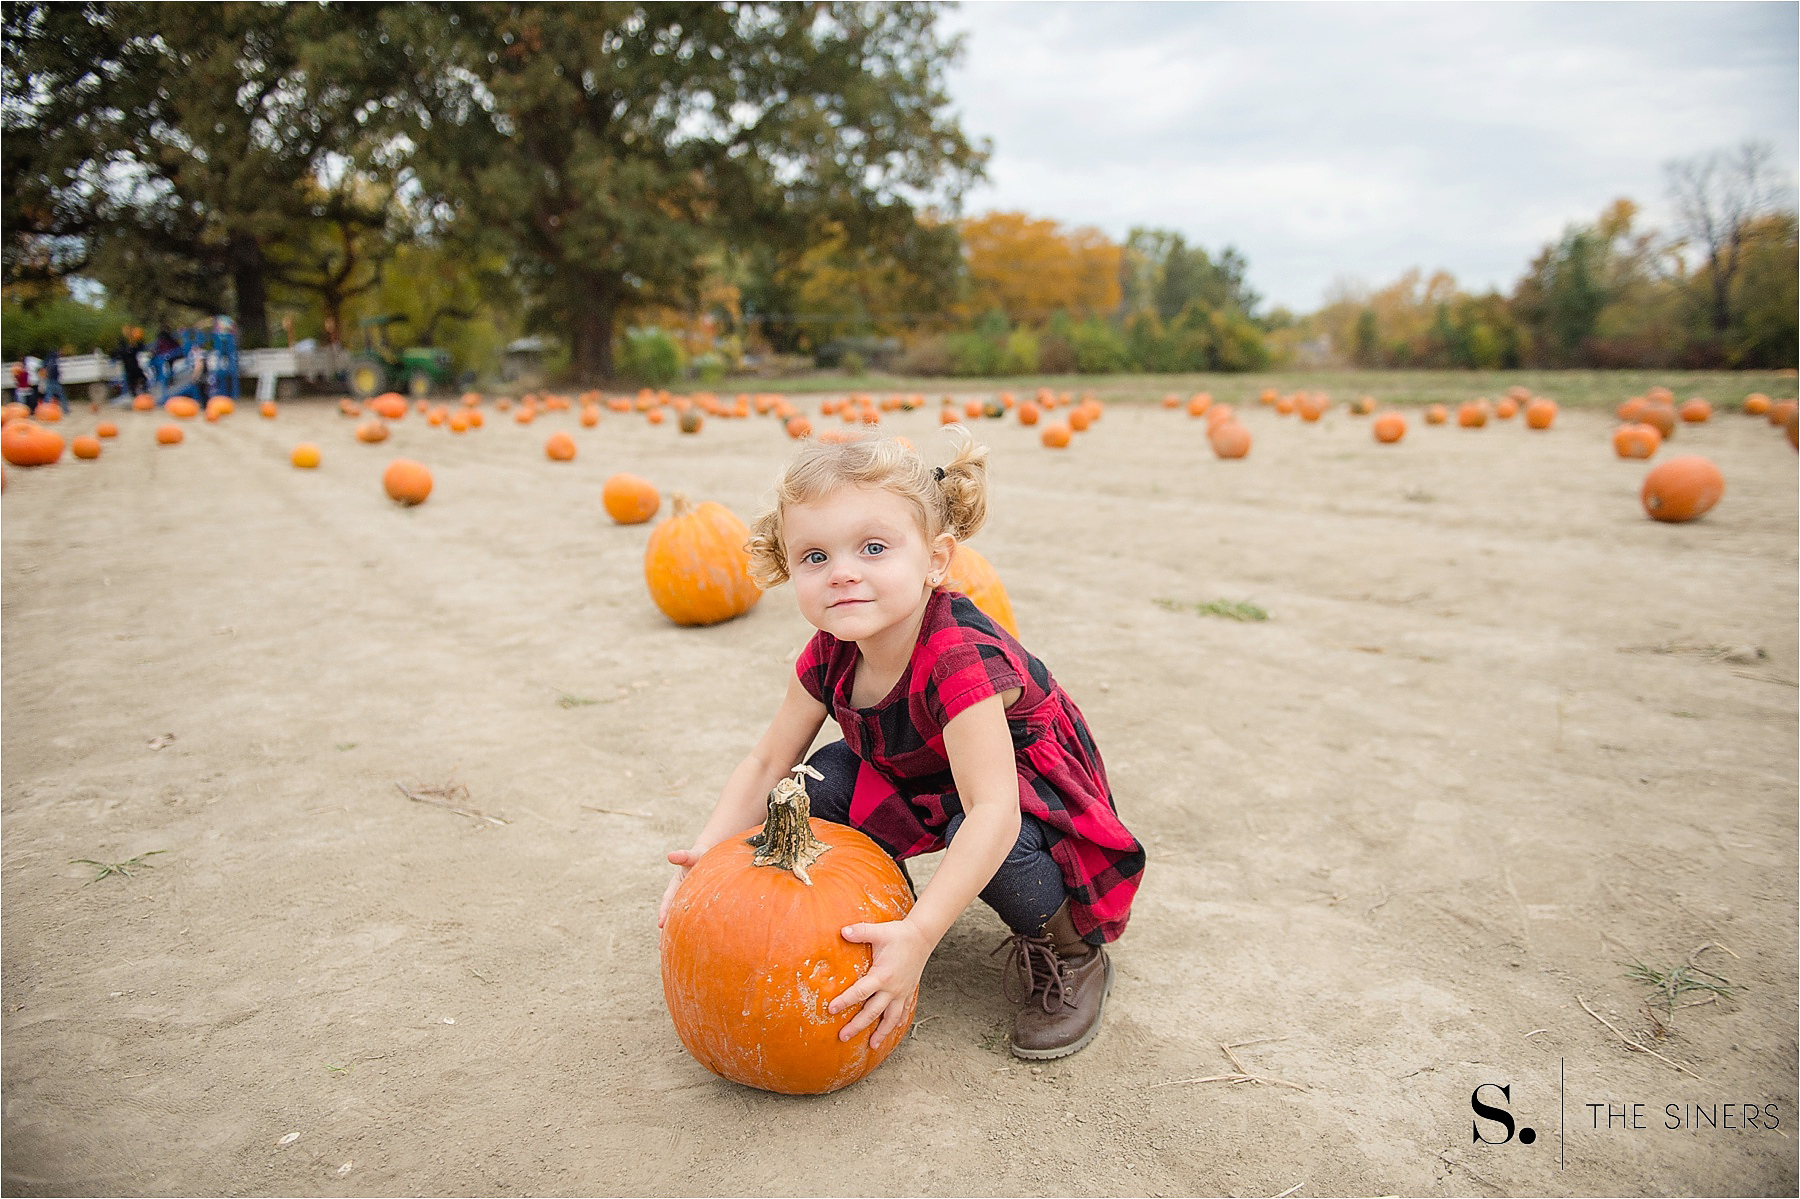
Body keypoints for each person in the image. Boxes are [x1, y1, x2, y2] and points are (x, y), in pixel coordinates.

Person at [657, 428, 1145, 1060]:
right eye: (815, 557)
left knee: (999, 841)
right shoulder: (830, 652)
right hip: (928, 778)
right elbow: (767, 761)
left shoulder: (958, 661)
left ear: (935, 560)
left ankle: (1071, 955)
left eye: (874, 548)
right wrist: (707, 856)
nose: (843, 575)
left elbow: (993, 811)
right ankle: (867, 911)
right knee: (815, 781)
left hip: (1023, 799)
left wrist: (921, 935)